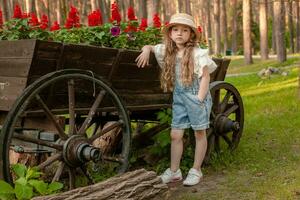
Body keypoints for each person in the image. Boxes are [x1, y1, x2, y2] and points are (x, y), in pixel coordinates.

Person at [135, 13, 217, 186]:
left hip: (195, 95)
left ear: (191, 34)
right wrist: (146, 49)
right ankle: (174, 171)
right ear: (170, 33)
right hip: (179, 97)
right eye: (176, 29)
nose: (180, 33)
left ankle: (196, 170)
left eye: (185, 30)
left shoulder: (196, 53)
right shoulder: (167, 51)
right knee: (175, 134)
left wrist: (199, 98)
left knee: (199, 132)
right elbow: (150, 46)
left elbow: (205, 77)